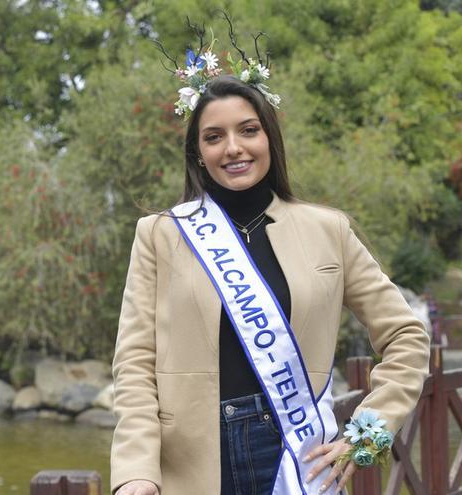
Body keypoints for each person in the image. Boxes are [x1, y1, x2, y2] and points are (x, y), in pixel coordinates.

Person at [110, 37, 431, 495]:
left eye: (248, 130)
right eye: (214, 137)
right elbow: (135, 365)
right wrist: (136, 471)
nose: (233, 148)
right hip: (190, 466)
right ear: (198, 152)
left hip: (298, 461)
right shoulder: (160, 235)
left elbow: (406, 336)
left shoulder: (328, 230)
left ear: (269, 137)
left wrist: (366, 435)